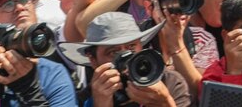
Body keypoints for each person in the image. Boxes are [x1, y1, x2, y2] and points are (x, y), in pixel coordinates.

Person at [60, 12, 191, 107]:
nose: (126, 56)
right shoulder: (83, 99)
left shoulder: (170, 81)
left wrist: (164, 102)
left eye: (131, 46)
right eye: (113, 52)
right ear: (93, 60)